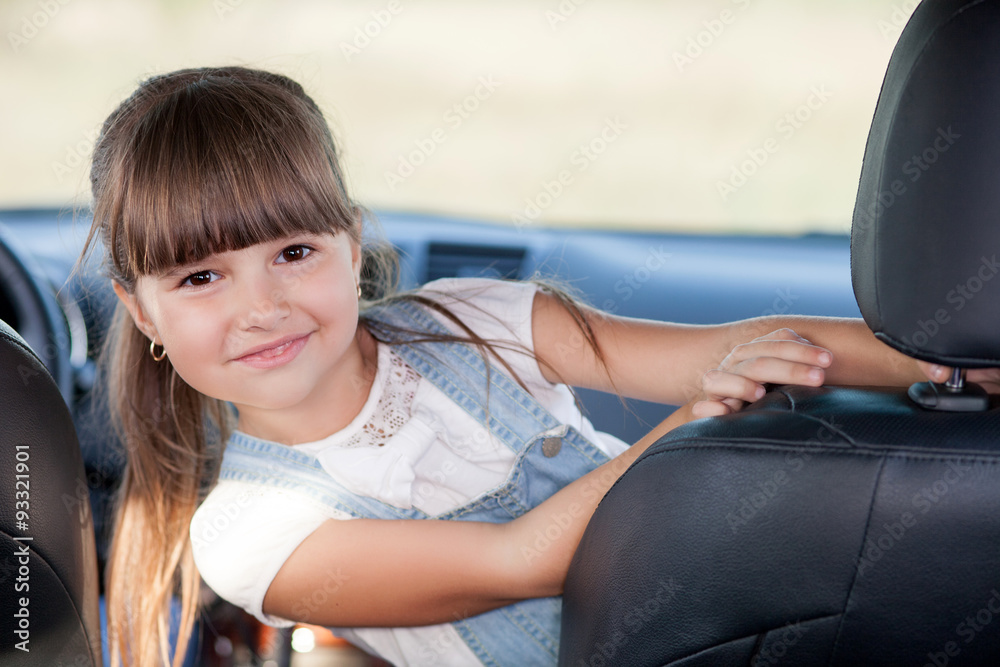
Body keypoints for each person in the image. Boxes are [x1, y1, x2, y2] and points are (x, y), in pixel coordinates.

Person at [84, 66, 934, 667]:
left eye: (294, 250)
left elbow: (736, 349)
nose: (259, 305)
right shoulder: (246, 536)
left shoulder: (478, 322)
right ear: (139, 308)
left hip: (730, 613)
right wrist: (693, 427)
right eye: (200, 277)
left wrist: (946, 363)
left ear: (351, 245)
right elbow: (519, 560)